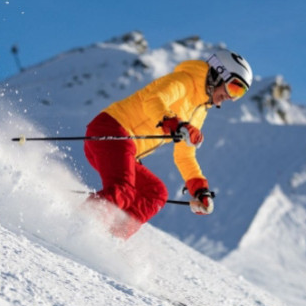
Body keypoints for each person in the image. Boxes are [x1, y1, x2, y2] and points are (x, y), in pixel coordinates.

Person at [84, 49, 253, 238]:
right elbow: (154, 100)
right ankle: (79, 223)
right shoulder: (184, 81)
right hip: (112, 129)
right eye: (234, 88)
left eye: (240, 94)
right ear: (218, 74)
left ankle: (110, 238)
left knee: (155, 193)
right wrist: (174, 123)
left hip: (126, 149)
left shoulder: (200, 110)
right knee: (124, 191)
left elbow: (185, 155)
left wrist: (199, 190)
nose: (231, 97)